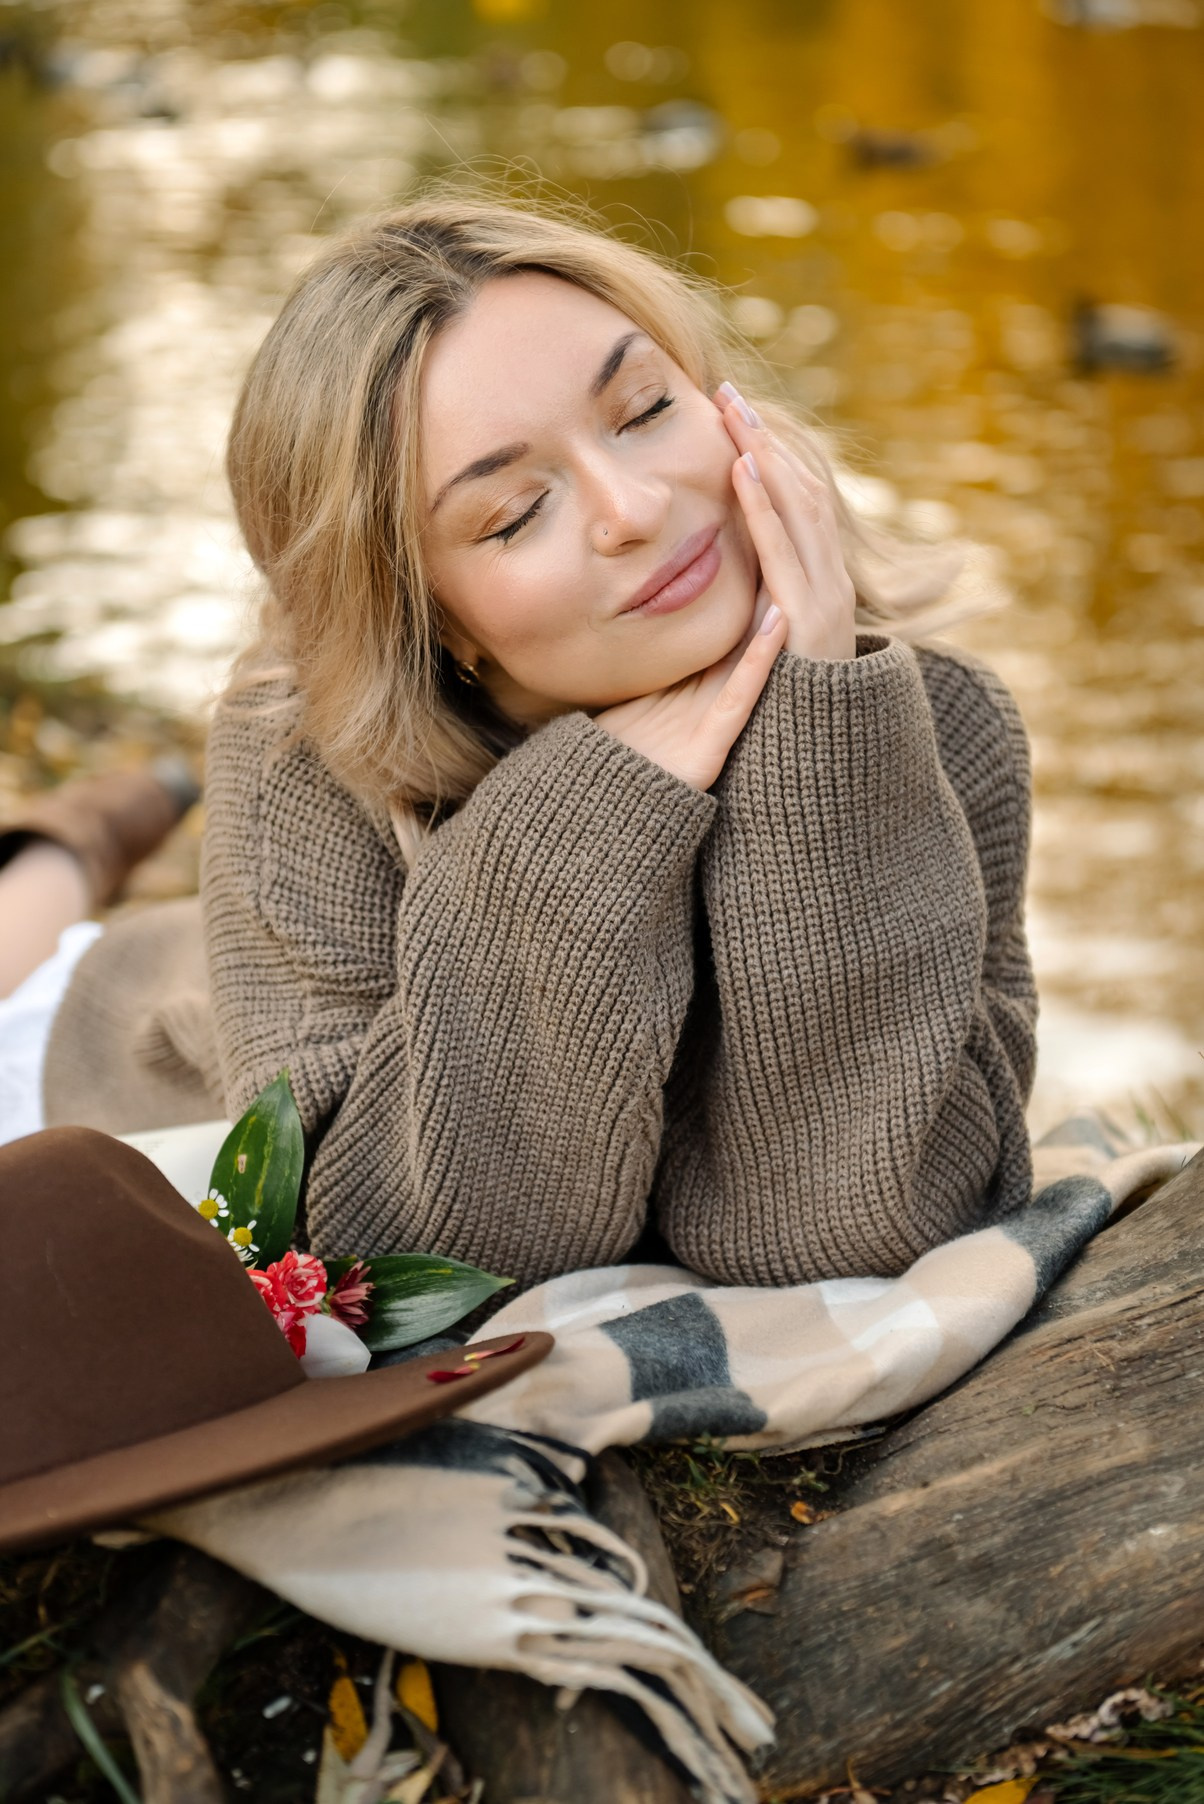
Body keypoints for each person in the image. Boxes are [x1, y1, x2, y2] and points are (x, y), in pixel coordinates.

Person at [1, 191, 1037, 1293]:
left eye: (643, 408)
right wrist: (588, 815)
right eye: (510, 513)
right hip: (96, 1047)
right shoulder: (303, 762)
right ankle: (72, 844)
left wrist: (823, 729)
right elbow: (400, 1251)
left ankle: (80, 839)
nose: (632, 504)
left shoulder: (929, 724)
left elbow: (860, 1220)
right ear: (424, 616)